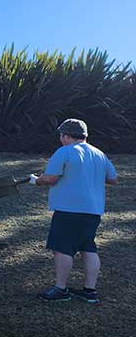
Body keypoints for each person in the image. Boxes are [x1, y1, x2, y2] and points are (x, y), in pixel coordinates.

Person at [29, 119, 117, 303]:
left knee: (62, 249)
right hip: (93, 210)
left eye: (61, 135)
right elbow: (113, 179)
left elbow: (51, 178)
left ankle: (61, 289)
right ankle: (89, 291)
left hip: (69, 209)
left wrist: (36, 180)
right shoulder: (99, 153)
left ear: (66, 135)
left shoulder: (65, 151)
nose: (60, 139)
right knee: (88, 247)